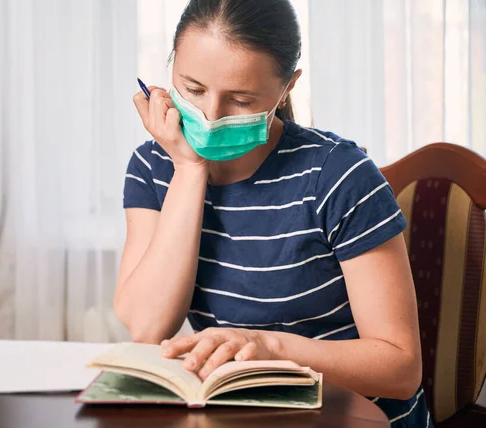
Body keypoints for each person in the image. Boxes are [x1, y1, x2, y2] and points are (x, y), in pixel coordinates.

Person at [114, 0, 431, 426]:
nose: (210, 117)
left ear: (286, 88)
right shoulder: (154, 166)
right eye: (192, 89)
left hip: (354, 417)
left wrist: (272, 349)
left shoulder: (338, 175)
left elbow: (400, 369)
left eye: (241, 99)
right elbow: (147, 327)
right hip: (245, 416)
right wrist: (190, 170)